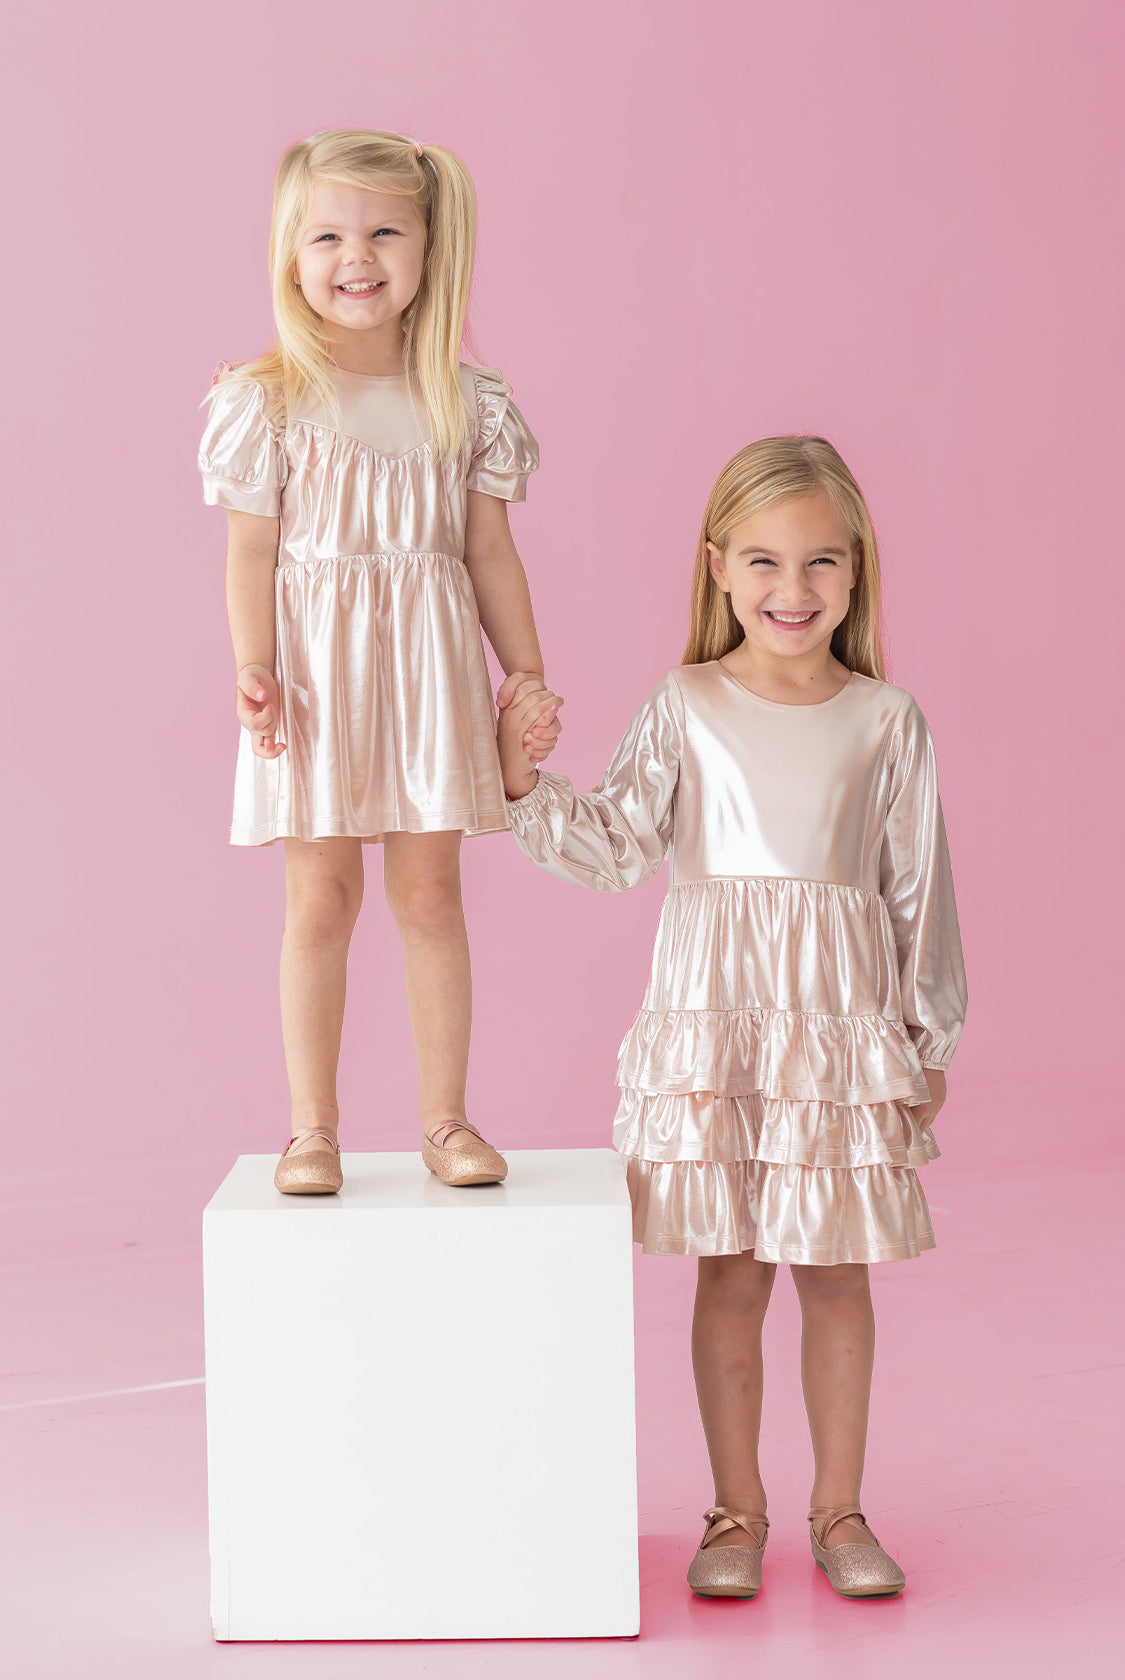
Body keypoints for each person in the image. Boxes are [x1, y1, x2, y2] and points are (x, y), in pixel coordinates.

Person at [497, 436, 967, 1600]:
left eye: (819, 563)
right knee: (732, 1274)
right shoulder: (687, 704)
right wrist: (521, 784)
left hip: (836, 1040)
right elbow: (616, 848)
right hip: (718, 1030)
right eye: (763, 560)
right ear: (717, 567)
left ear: (857, 574)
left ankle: (841, 1511)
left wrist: (925, 1039)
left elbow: (920, 896)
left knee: (837, 1276)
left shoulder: (886, 721)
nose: (791, 590)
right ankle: (735, 1513)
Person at [199, 129, 559, 1195]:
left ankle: (446, 1121)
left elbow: (489, 550)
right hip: (316, 680)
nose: (356, 256)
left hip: (427, 674)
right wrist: (254, 666)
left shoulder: (464, 401)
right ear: (290, 255)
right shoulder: (266, 400)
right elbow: (251, 551)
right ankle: (313, 1129)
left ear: (428, 248)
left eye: (384, 231)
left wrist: (524, 674)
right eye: (327, 235)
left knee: (431, 895)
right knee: (318, 898)